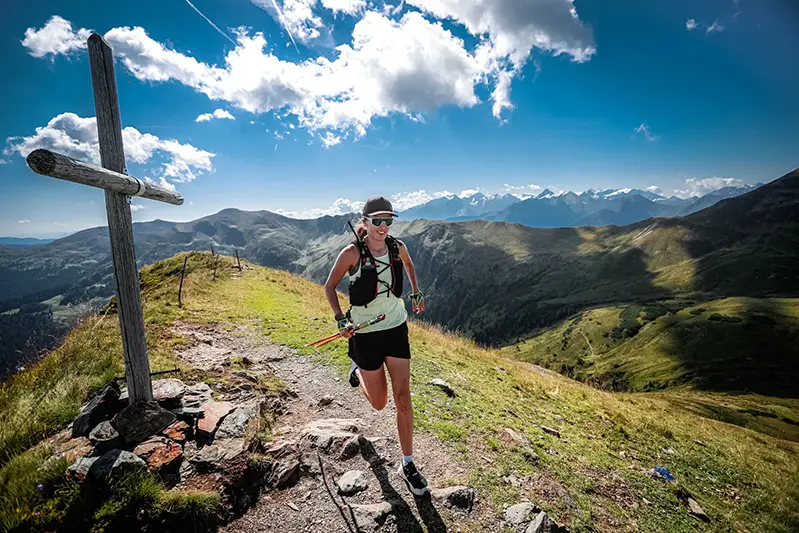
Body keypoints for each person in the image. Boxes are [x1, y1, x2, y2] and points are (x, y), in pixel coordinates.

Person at [324, 196, 429, 496]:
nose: (383, 227)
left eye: (389, 221)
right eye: (377, 221)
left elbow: (409, 266)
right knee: (380, 402)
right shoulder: (351, 253)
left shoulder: (398, 247)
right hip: (364, 333)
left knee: (403, 397)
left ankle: (408, 464)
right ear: (366, 221)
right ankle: (357, 368)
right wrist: (339, 320)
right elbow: (330, 286)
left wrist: (416, 293)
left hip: (396, 328)